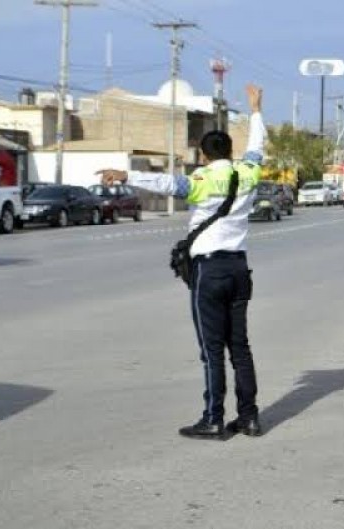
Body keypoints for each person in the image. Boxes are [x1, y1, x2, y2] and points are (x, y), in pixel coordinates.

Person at [97, 84, 265, 440]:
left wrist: (127, 175)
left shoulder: (201, 180)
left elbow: (165, 183)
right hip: (239, 267)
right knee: (240, 347)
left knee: (211, 350)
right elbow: (258, 148)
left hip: (210, 271)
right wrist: (256, 110)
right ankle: (249, 418)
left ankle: (214, 418)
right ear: (229, 152)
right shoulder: (247, 174)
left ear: (204, 156)